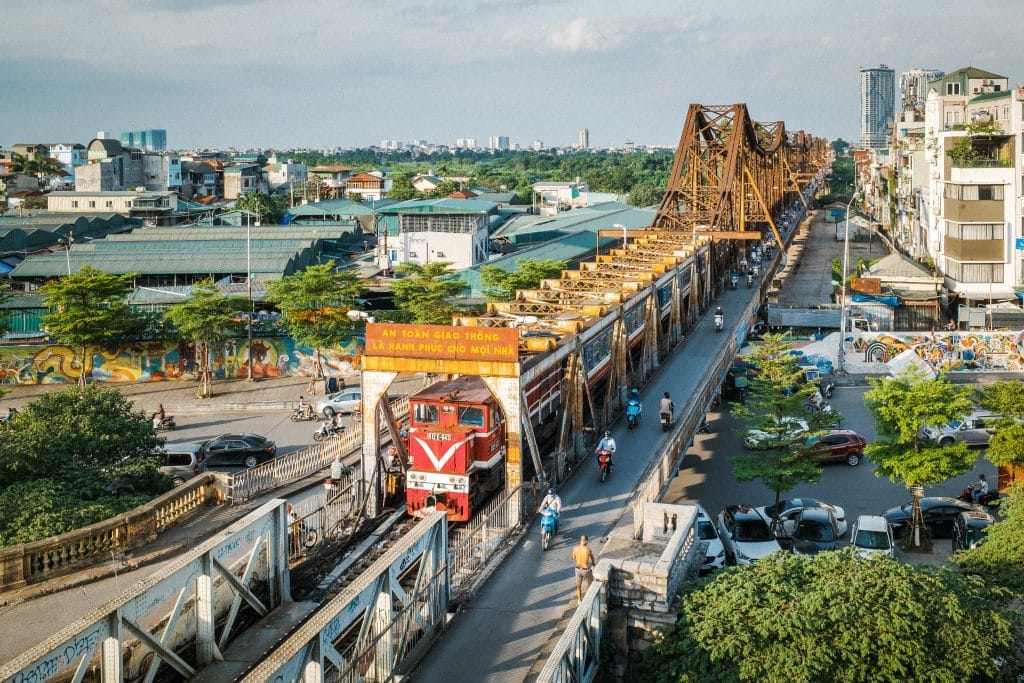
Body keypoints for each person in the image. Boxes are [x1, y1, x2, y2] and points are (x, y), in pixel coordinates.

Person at [571, 535, 596, 602]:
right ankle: (588, 598)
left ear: (580, 540)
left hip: (577, 569)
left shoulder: (575, 548)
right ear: (586, 541)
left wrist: (578, 558)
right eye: (587, 541)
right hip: (585, 570)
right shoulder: (588, 549)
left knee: (578, 586)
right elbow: (592, 558)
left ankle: (579, 600)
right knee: (590, 583)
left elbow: (573, 557)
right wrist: (593, 564)